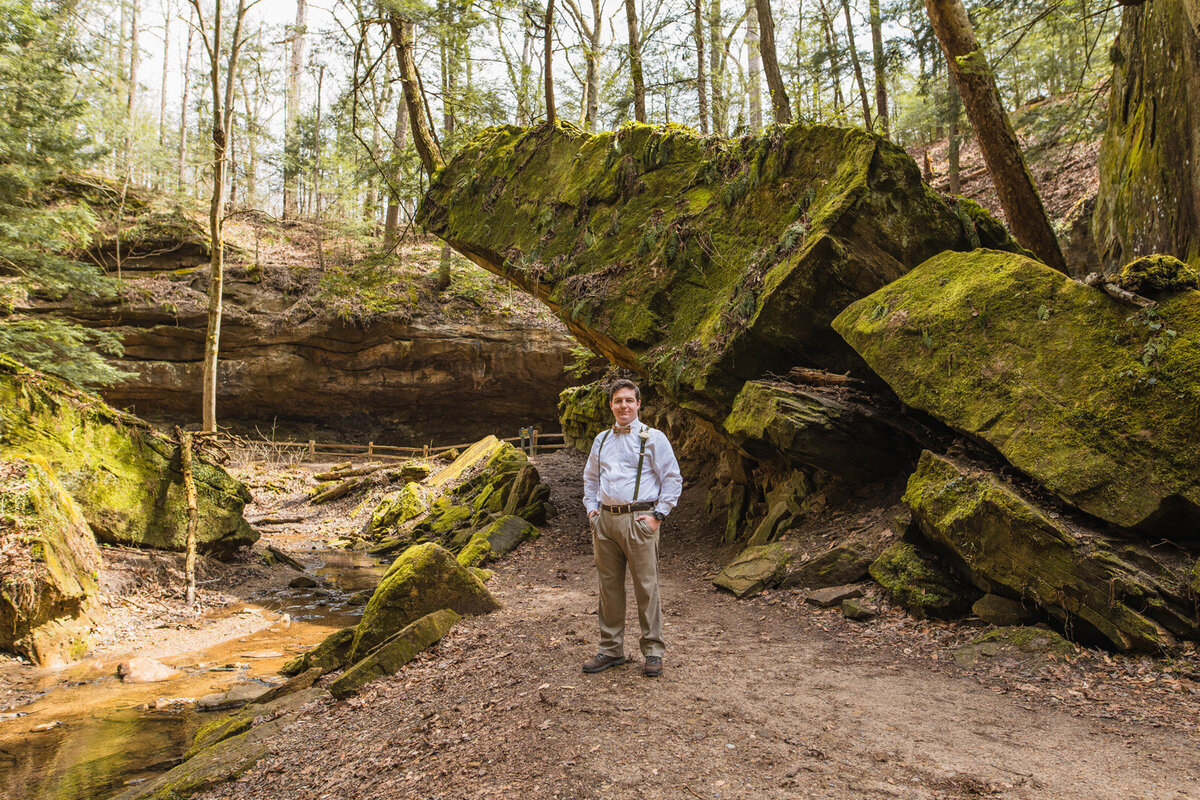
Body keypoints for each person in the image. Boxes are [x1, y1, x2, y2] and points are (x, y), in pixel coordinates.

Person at [581, 379, 682, 678]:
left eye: (628, 400)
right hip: (605, 522)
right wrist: (592, 510)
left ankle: (652, 651)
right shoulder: (600, 439)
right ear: (611, 405)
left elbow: (672, 479)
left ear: (639, 404)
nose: (623, 405)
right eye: (617, 400)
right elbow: (590, 478)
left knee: (646, 587)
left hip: (640, 521)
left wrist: (658, 516)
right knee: (608, 588)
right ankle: (611, 649)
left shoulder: (653, 438)